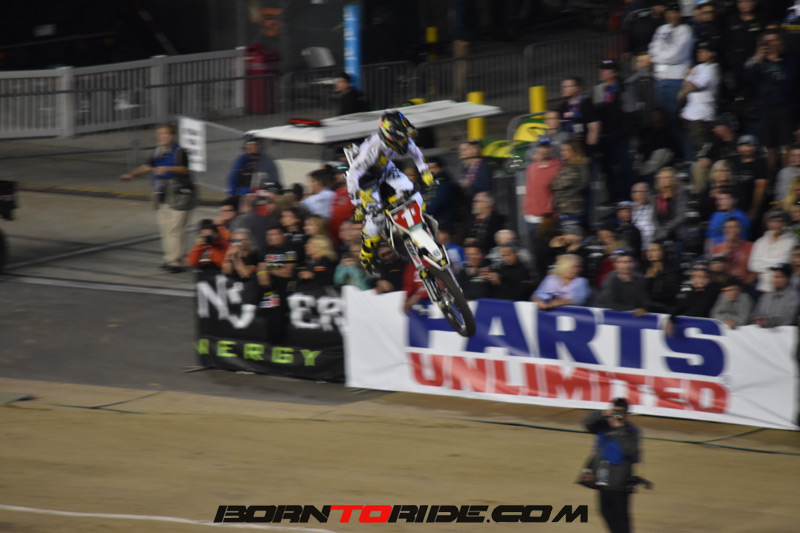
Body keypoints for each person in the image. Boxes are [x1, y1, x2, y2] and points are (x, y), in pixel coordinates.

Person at [345, 110, 433, 274]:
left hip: (386, 169)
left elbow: (415, 152)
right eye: (401, 139)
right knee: (376, 219)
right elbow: (352, 176)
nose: (405, 142)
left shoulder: (402, 138)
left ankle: (421, 225)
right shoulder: (371, 150)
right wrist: (357, 204)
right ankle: (366, 256)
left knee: (412, 192)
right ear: (390, 137)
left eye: (406, 138)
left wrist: (424, 170)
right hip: (365, 179)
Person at [120, 122, 196, 273]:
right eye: (159, 134)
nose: (161, 137)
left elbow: (184, 169)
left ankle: (175, 262)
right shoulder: (158, 152)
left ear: (172, 136)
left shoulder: (180, 152)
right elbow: (148, 166)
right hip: (163, 194)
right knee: (165, 228)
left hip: (179, 195)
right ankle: (169, 259)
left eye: (164, 134)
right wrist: (132, 175)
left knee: (175, 229)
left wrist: (167, 168)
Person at [581, 398, 641, 533]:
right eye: (615, 412)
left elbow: (631, 450)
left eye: (620, 413)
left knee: (620, 516)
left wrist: (620, 429)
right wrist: (603, 414)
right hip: (603, 478)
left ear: (627, 415)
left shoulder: (631, 431)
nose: (617, 416)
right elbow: (586, 422)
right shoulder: (603, 425)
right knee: (605, 511)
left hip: (620, 481)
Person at [648, 3, 694, 149]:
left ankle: (688, 156)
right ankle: (671, 154)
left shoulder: (686, 30)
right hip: (659, 80)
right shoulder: (661, 29)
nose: (671, 15)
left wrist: (655, 58)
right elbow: (652, 48)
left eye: (674, 12)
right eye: (668, 13)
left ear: (679, 14)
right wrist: (657, 56)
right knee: (662, 121)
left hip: (676, 81)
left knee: (677, 120)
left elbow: (675, 56)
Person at [678, 41, 720, 160]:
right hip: (689, 116)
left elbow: (692, 86)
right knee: (692, 153)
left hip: (702, 117)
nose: (699, 53)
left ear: (712, 54)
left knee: (702, 153)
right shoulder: (697, 68)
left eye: (703, 51)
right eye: (699, 51)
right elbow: (684, 88)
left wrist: (688, 82)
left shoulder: (712, 69)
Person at [665, 263, 721, 335]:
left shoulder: (713, 291)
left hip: (706, 329)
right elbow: (680, 306)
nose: (700, 279)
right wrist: (670, 319)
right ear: (692, 279)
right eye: (696, 276)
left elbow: (699, 311)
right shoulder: (692, 293)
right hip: (692, 329)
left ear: (708, 279)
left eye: (703, 276)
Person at [748, 210, 797, 292]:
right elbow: (752, 265)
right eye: (773, 221)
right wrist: (774, 263)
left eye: (780, 221)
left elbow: (785, 262)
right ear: (768, 224)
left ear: (785, 224)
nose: (777, 224)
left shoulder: (792, 241)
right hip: (761, 288)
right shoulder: (760, 242)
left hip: (783, 289)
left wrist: (763, 262)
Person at [596, 250, 652, 315]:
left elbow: (645, 301)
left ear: (634, 263)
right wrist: (633, 310)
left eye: (629, 262)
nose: (627, 265)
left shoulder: (641, 280)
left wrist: (644, 308)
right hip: (609, 315)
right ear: (616, 265)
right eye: (623, 262)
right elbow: (611, 303)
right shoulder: (611, 280)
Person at [551, 141, 588, 227]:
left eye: (566, 150)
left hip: (572, 211)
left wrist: (554, 182)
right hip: (566, 210)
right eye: (562, 150)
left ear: (574, 152)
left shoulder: (575, 168)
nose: (562, 153)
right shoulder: (567, 166)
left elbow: (557, 184)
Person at [557, 76, 600, 150]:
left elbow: (593, 128)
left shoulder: (585, 103)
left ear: (576, 88)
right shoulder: (562, 107)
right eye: (563, 87)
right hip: (569, 148)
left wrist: (591, 149)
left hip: (584, 146)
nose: (563, 89)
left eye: (566, 87)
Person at [710, 217, 756, 284]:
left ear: (741, 229)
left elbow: (756, 270)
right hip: (725, 285)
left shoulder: (751, 246)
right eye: (729, 227)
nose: (733, 230)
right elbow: (714, 269)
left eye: (735, 227)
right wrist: (726, 248)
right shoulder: (717, 248)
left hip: (746, 284)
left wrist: (746, 284)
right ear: (724, 230)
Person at [642, 240, 681, 312]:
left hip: (664, 309)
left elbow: (669, 294)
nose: (650, 253)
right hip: (647, 307)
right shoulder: (643, 270)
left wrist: (650, 279)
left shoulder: (671, 272)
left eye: (654, 250)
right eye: (649, 250)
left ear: (663, 252)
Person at [630, 183, 656, 248]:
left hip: (651, 245)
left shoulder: (653, 208)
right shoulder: (628, 209)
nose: (642, 194)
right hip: (634, 246)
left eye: (645, 192)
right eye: (639, 192)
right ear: (633, 195)